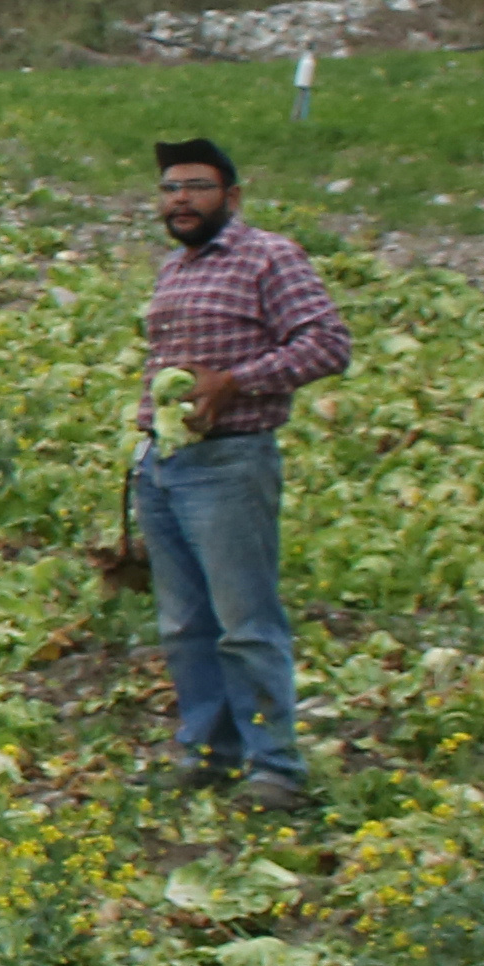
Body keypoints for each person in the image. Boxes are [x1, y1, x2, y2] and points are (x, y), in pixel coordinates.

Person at [134, 136, 351, 808]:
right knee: (183, 623)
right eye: (171, 188)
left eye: (197, 187)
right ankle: (209, 750)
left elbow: (327, 343)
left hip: (230, 462)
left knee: (245, 620)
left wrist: (238, 382)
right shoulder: (176, 267)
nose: (181, 200)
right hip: (164, 463)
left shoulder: (269, 256)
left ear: (232, 195)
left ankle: (274, 768)